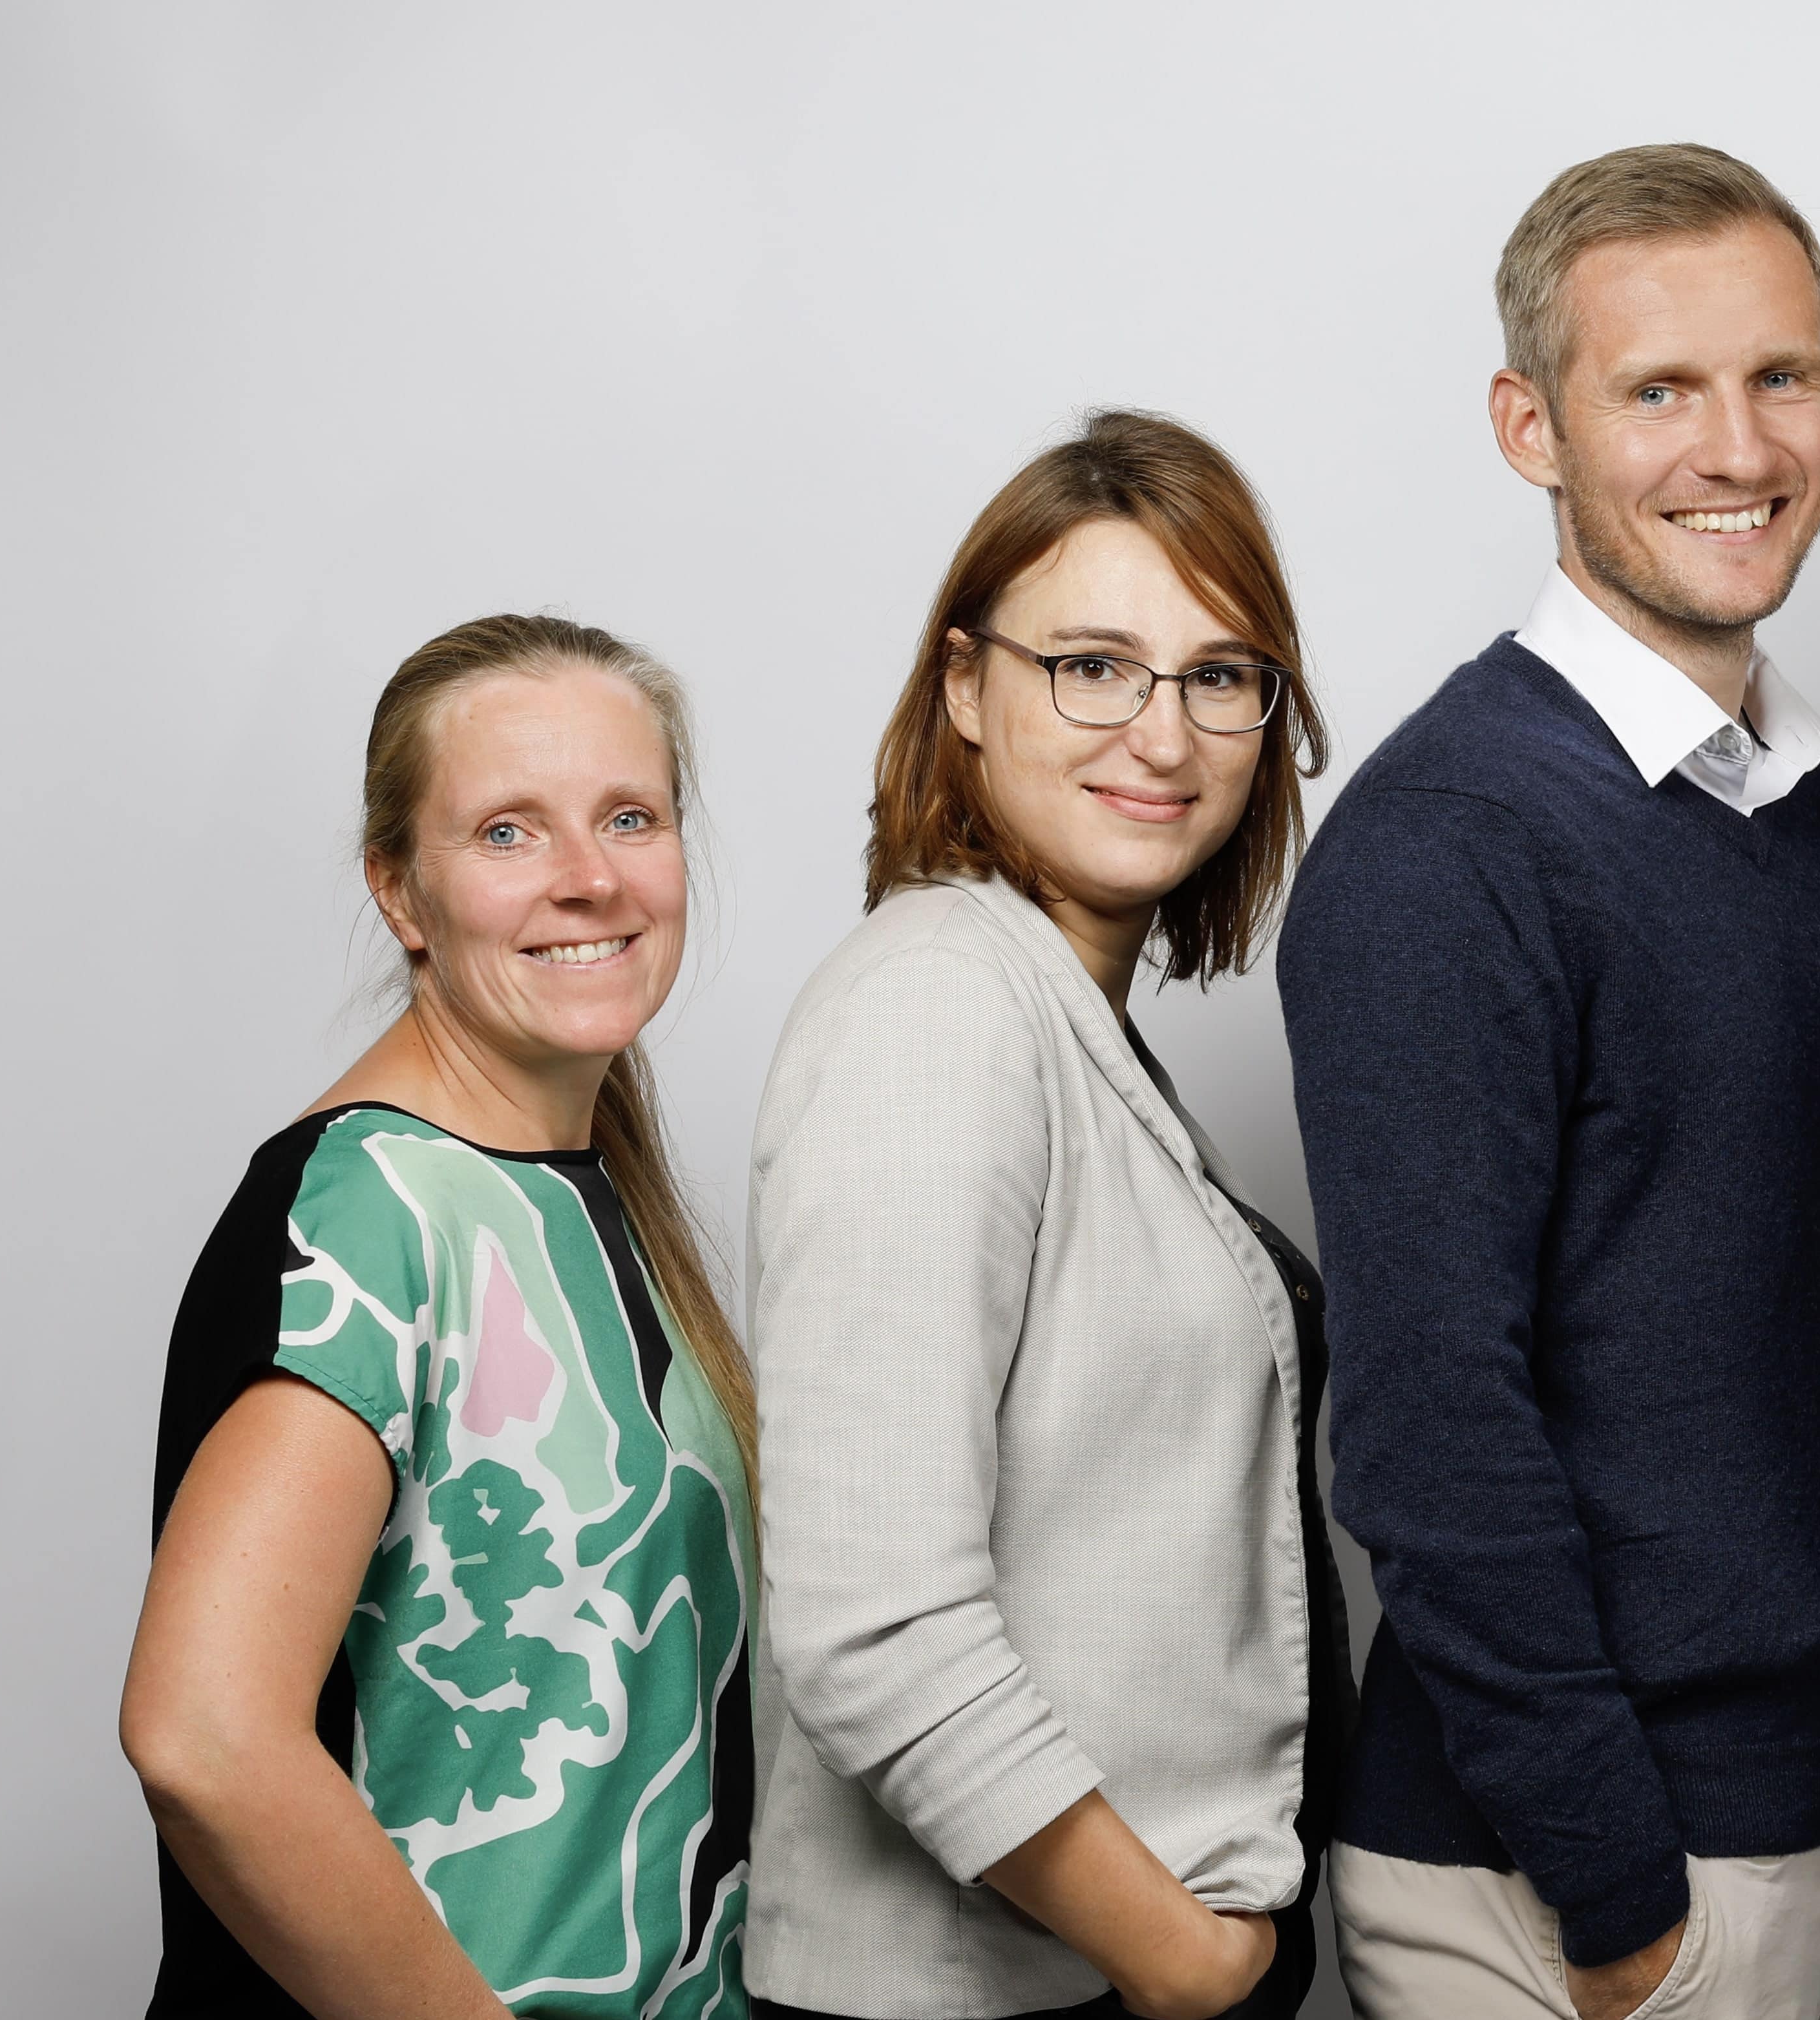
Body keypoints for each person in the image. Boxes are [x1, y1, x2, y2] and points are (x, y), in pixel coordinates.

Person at [1278, 143, 1820, 2020]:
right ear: (1528, 427)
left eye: (1778, 376)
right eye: (1657, 391)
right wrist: (1616, 1887)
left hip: (1804, 1818)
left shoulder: (1804, 796)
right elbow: (1426, 1425)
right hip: (1573, 1878)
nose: (1737, 446)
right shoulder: (1451, 840)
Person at [741, 411, 1342, 2020]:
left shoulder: (1053, 1010)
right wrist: (1184, 1963)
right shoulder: (938, 1009)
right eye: (1092, 666)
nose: (1163, 734)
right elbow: (875, 1630)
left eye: (1219, 676)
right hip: (994, 1992)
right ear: (964, 688)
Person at [125, 614, 760, 2019]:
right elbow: (206, 1737)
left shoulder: (582, 1190)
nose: (591, 877)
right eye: (508, 832)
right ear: (400, 891)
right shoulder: (369, 1215)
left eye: (631, 817)